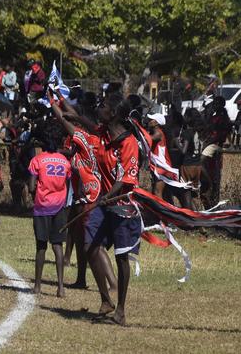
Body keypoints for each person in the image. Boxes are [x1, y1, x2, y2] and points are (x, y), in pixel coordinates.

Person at [48, 92, 117, 294]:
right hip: (83, 196)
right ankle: (80, 278)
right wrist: (60, 98)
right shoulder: (94, 140)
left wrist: (51, 101)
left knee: (92, 243)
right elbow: (72, 115)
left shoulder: (86, 141)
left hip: (90, 196)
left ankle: (112, 283)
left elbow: (63, 119)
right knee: (79, 239)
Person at [90, 93, 143, 326]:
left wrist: (107, 197)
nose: (99, 108)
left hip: (123, 206)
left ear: (112, 113)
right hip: (105, 203)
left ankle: (120, 309)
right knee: (89, 246)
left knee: (121, 258)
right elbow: (86, 125)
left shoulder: (129, 142)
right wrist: (67, 113)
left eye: (103, 106)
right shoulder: (103, 134)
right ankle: (105, 300)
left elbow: (125, 179)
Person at [28, 122, 71, 297]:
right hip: (59, 207)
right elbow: (67, 184)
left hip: (42, 207)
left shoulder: (37, 160)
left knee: (41, 247)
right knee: (58, 246)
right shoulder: (65, 161)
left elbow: (31, 187)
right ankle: (60, 287)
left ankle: (37, 286)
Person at [201, 96, 231, 208]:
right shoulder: (213, 116)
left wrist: (208, 142)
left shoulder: (222, 118)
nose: (214, 105)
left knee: (201, 161)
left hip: (215, 144)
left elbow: (221, 134)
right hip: (209, 142)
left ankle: (209, 183)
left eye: (216, 103)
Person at [178, 108, 208, 210]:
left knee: (186, 193)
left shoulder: (187, 132)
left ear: (189, 118)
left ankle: (190, 220)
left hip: (187, 166)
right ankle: (200, 215)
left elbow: (183, 151)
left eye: (185, 115)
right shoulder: (199, 132)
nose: (183, 117)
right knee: (195, 193)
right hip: (197, 165)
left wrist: (176, 142)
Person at [146, 113, 171, 199]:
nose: (148, 121)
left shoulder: (158, 133)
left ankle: (159, 211)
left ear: (156, 123)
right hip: (159, 165)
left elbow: (148, 139)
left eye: (151, 120)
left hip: (163, 166)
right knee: (160, 192)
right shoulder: (155, 132)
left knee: (157, 191)